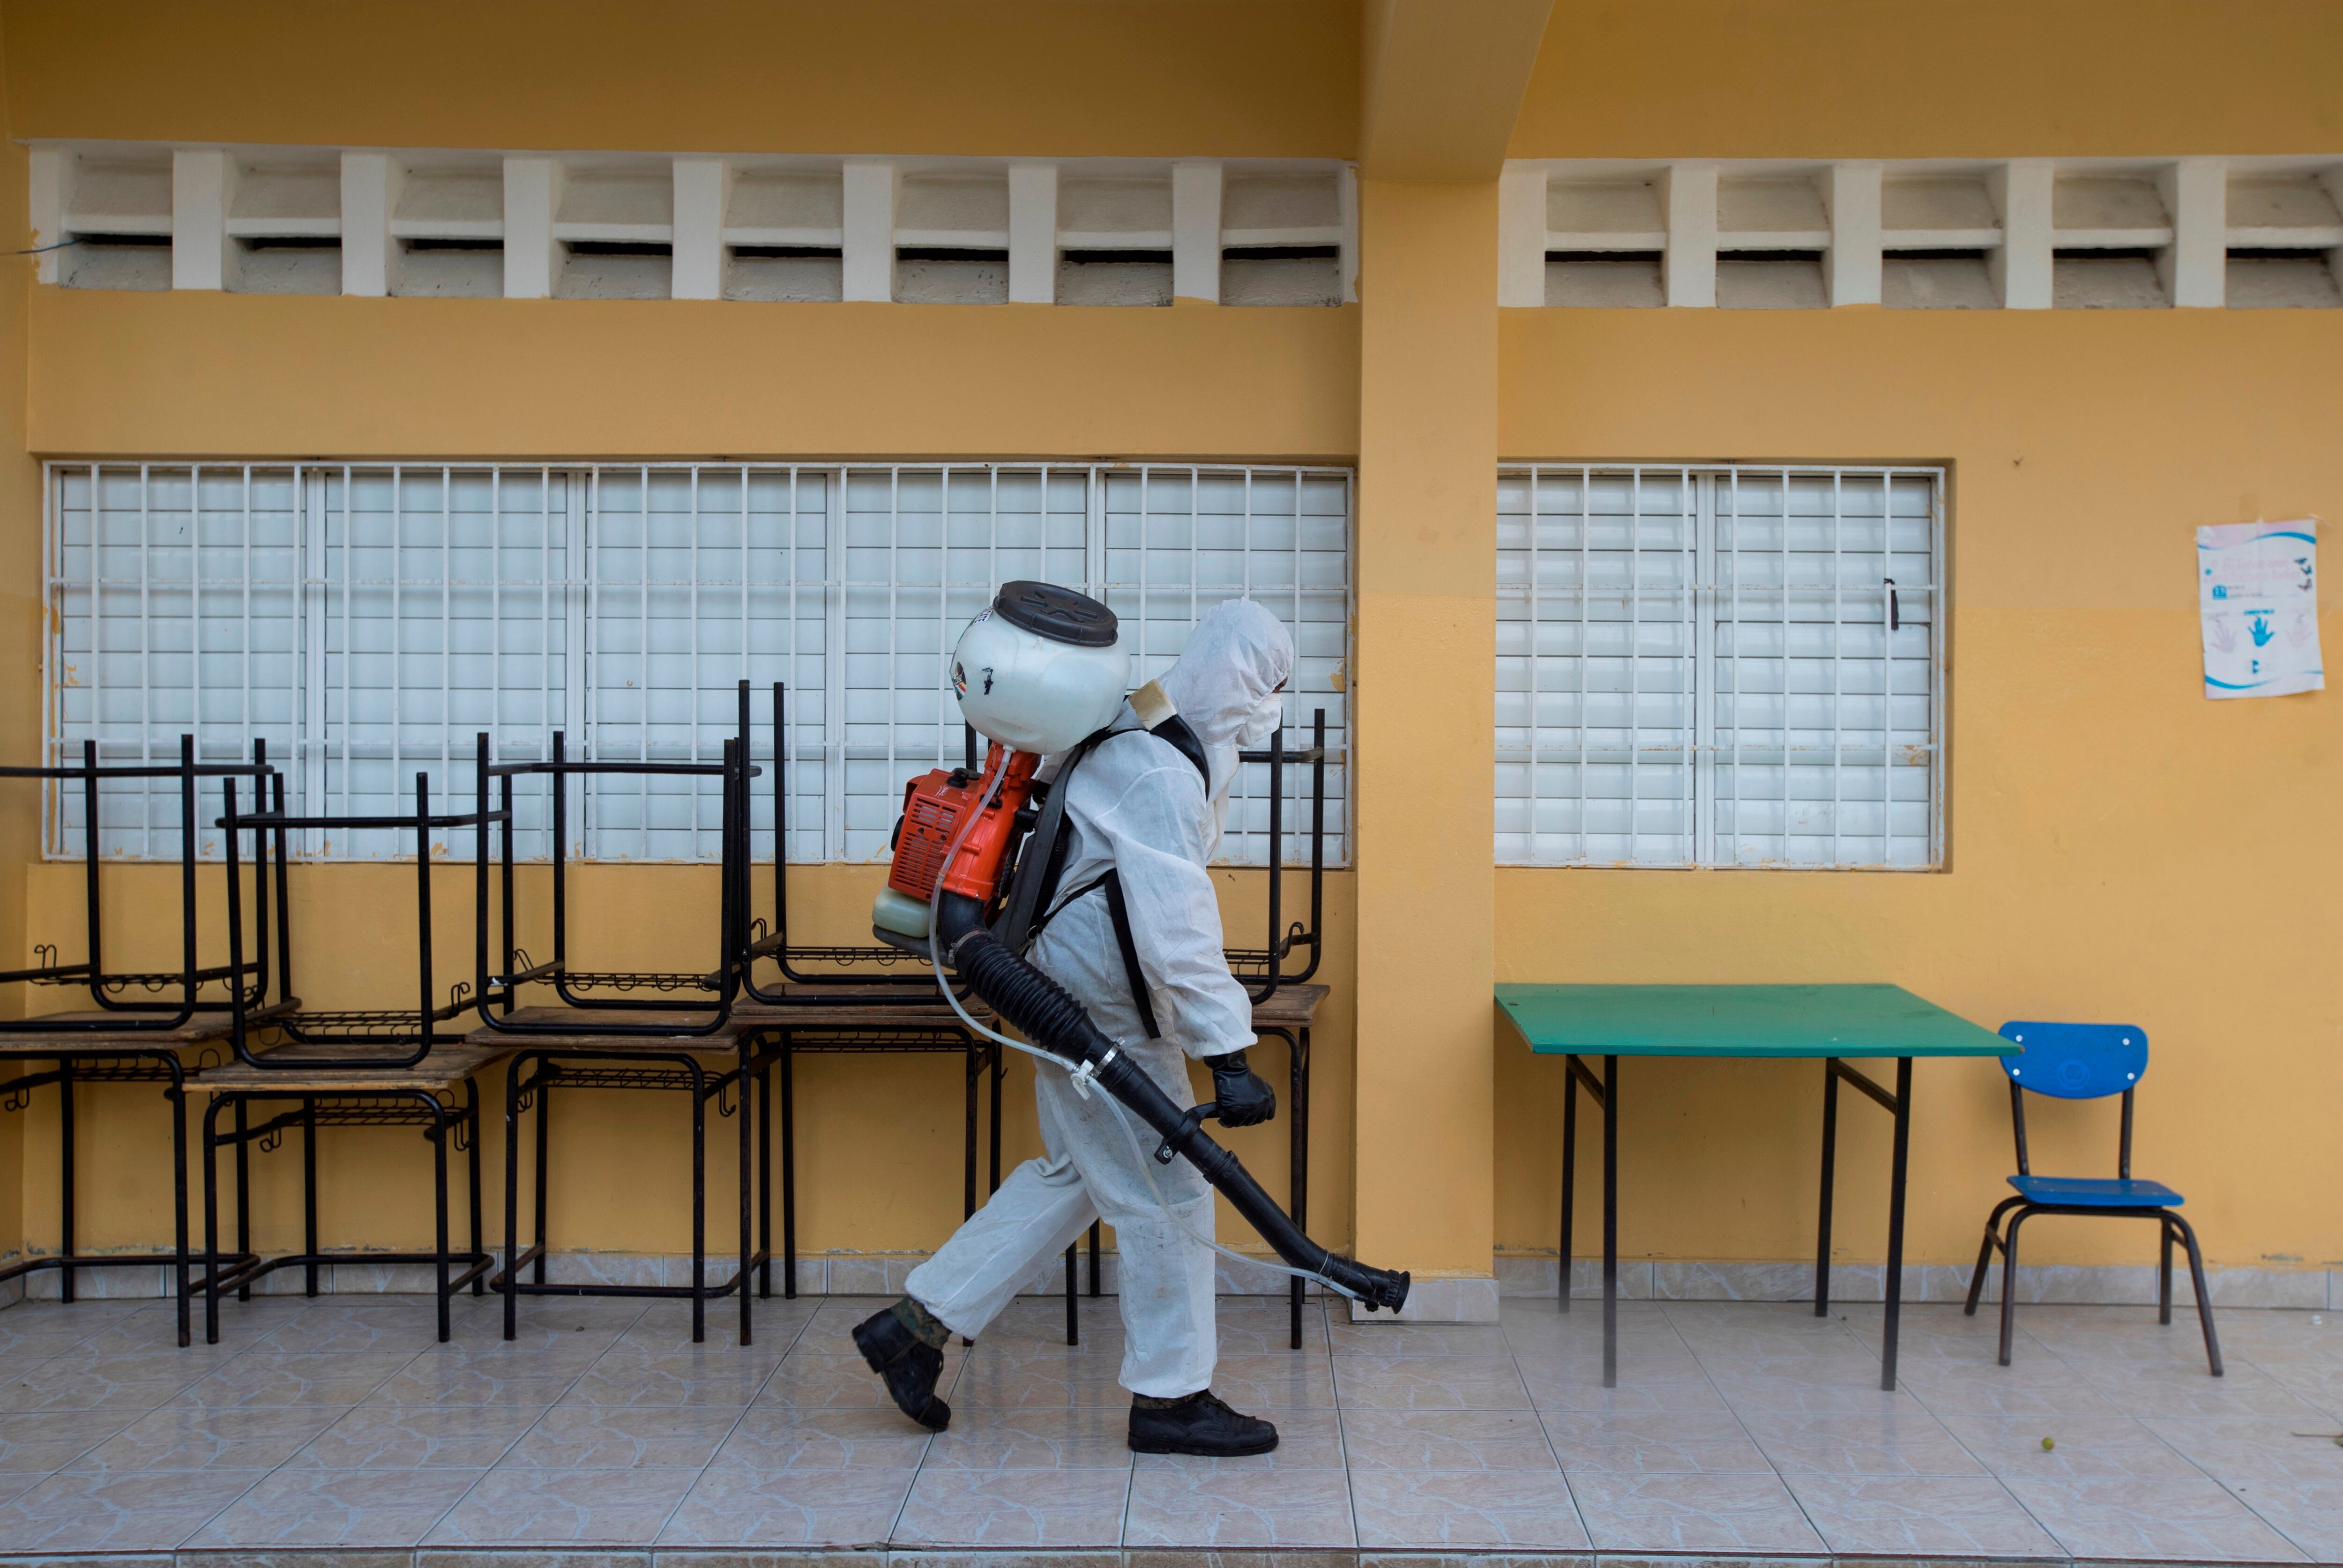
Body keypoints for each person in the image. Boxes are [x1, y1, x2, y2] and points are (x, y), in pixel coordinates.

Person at [853, 598, 1295, 1457]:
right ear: (1237, 678)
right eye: (1267, 684)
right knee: (1169, 1197)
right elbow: (1178, 924)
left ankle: (916, 1326)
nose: (1269, 704)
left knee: (1081, 1175)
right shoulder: (1157, 768)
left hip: (1056, 986)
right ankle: (1172, 1400)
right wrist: (1229, 1055)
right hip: (1102, 1011)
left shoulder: (1129, 732)